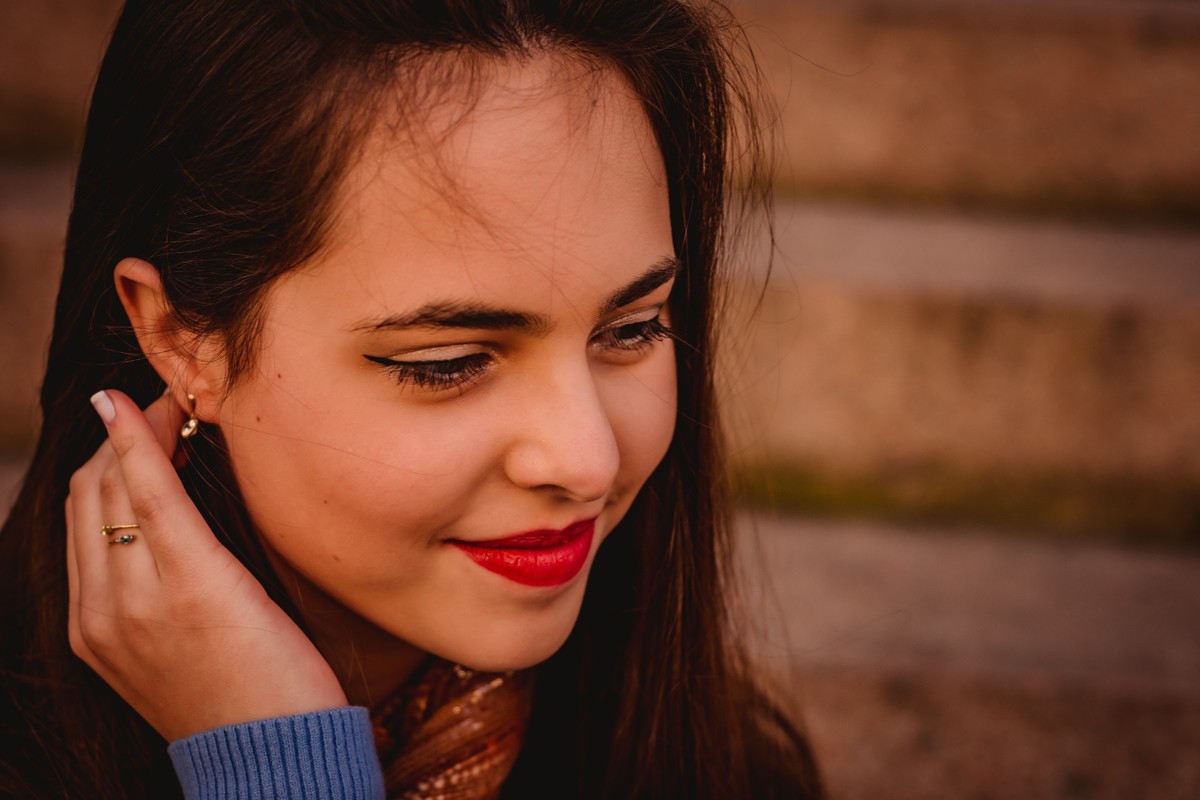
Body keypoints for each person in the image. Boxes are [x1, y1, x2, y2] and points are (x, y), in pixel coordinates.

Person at [0, 1, 823, 797]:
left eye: (633, 329)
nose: (587, 459)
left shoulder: (723, 763)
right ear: (181, 339)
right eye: (450, 362)